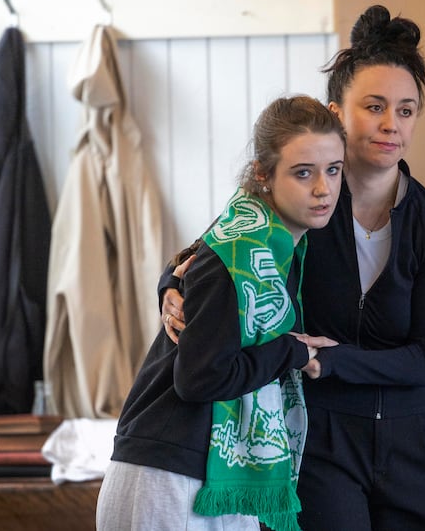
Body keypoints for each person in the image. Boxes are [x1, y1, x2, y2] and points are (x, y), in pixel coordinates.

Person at [161, 5, 425, 530]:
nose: (392, 124)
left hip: (412, 446)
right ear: (337, 111)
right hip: (319, 440)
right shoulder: (302, 203)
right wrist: (169, 287)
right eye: (374, 106)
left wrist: (326, 360)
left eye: (407, 110)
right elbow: (213, 254)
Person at [96, 95, 345, 531]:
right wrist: (293, 352)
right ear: (263, 176)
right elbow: (200, 378)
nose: (323, 188)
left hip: (200, 472)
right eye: (303, 173)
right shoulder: (240, 251)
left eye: (333, 170)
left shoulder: (263, 240)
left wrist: (169, 281)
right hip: (170, 475)